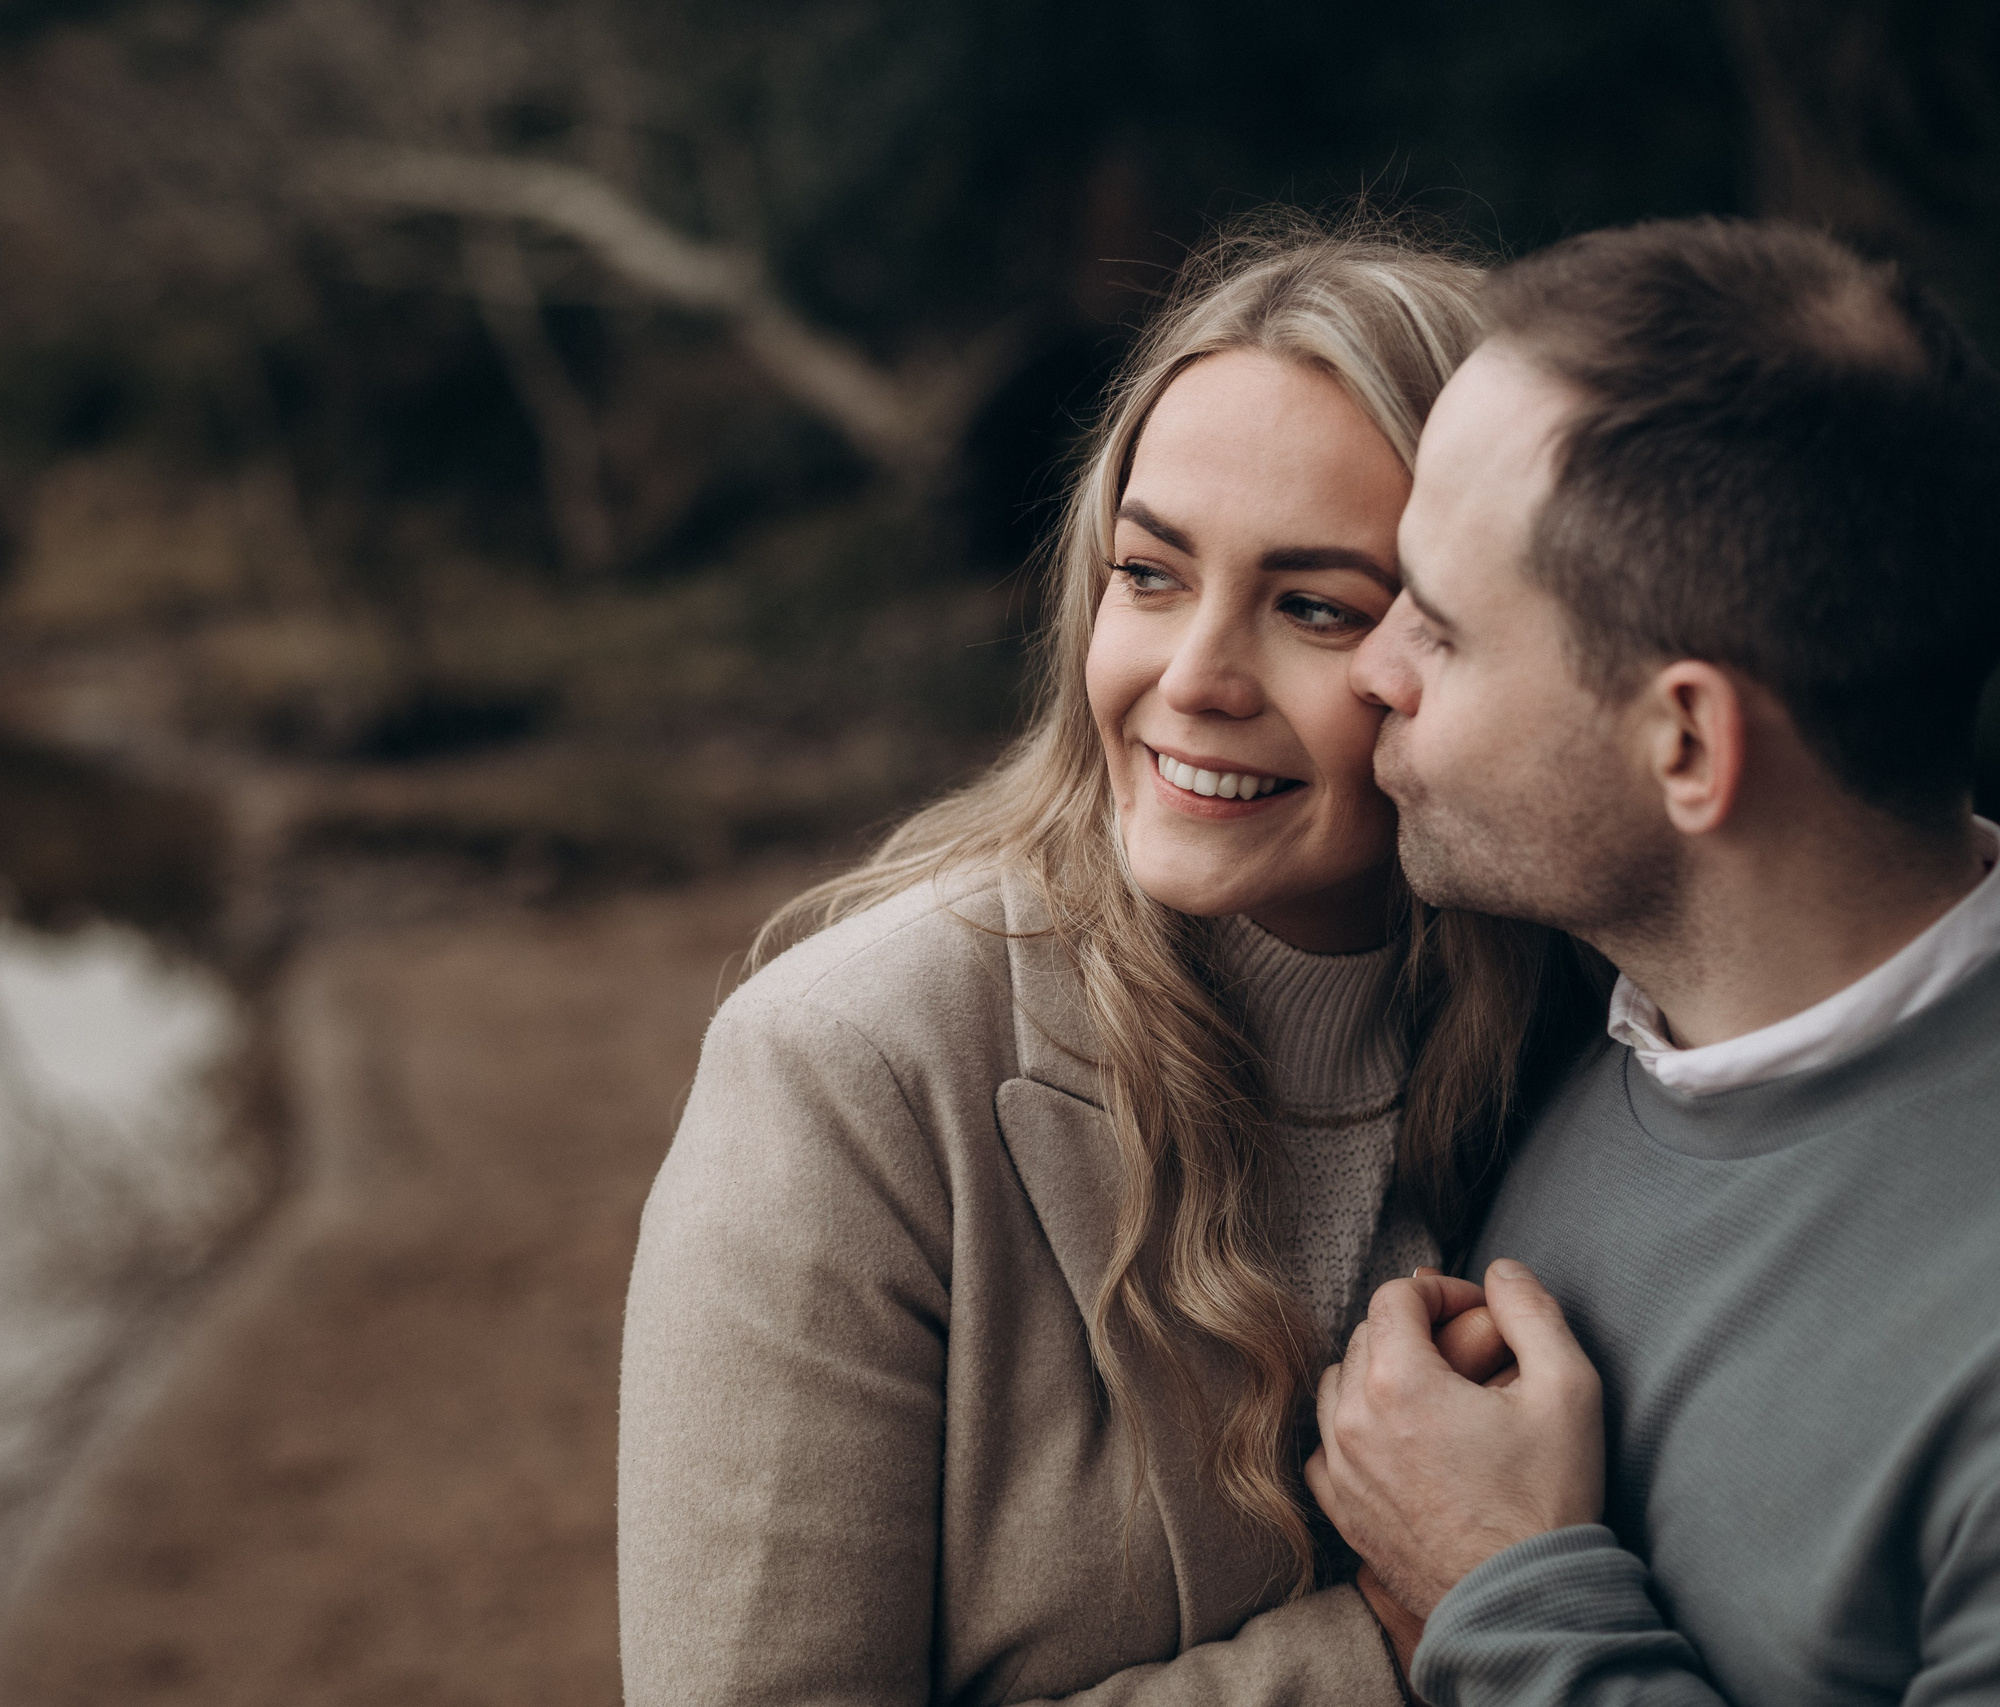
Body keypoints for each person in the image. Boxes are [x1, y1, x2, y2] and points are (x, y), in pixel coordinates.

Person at [618, 217, 1596, 1704]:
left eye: (1315, 607)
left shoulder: (1593, 1021)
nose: (1192, 678)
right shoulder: (851, 1069)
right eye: (1150, 574)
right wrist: (1386, 1650)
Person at [1305, 217, 2000, 1704]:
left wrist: (1500, 1588)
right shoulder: (1551, 1003)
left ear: (1686, 743)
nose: (1373, 668)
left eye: (1441, 626)